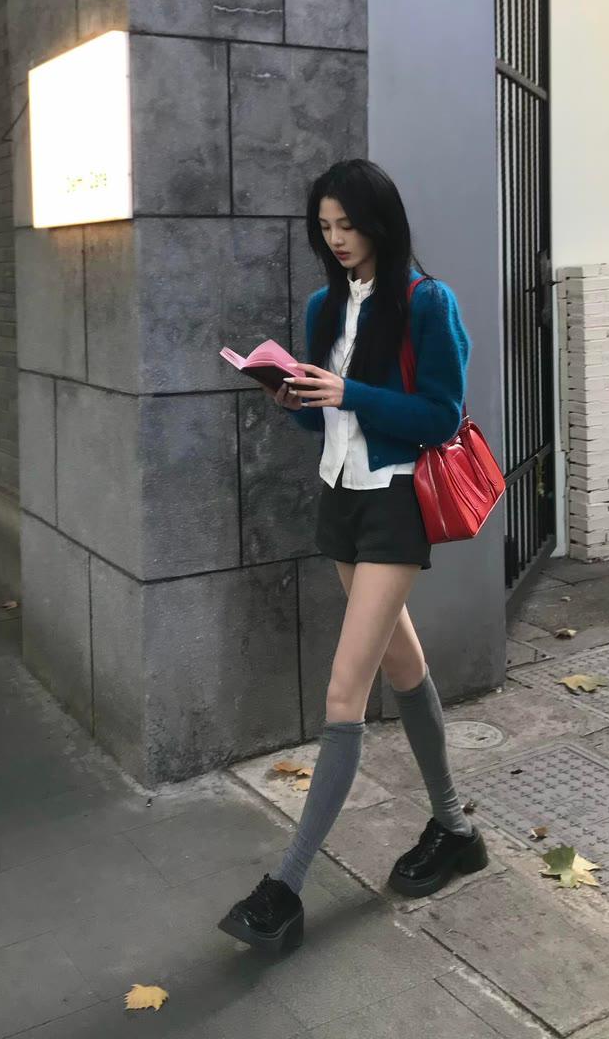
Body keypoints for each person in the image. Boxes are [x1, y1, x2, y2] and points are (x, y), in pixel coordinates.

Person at [217, 158, 488, 953]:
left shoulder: (428, 302)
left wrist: (350, 393)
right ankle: (455, 830)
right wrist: (292, 398)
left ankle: (285, 887)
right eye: (325, 227)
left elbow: (441, 415)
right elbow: (322, 421)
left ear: (380, 223)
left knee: (345, 692)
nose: (337, 239)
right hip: (340, 498)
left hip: (397, 503)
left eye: (348, 225)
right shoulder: (323, 306)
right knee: (403, 666)